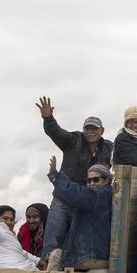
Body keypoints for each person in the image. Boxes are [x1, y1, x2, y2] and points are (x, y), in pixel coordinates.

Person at [36, 96, 111, 255]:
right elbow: (56, 132)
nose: (90, 132)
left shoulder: (109, 148)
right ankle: (45, 268)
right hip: (62, 200)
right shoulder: (73, 140)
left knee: (77, 245)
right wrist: (48, 118)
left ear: (102, 131)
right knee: (52, 243)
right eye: (87, 128)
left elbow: (124, 160)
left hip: (85, 203)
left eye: (94, 129)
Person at [44, 158, 112, 272]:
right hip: (93, 254)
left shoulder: (100, 195)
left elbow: (74, 193)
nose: (91, 183)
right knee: (56, 254)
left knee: (57, 257)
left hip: (89, 255)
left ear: (106, 180)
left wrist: (55, 176)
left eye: (96, 179)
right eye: (89, 181)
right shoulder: (101, 197)